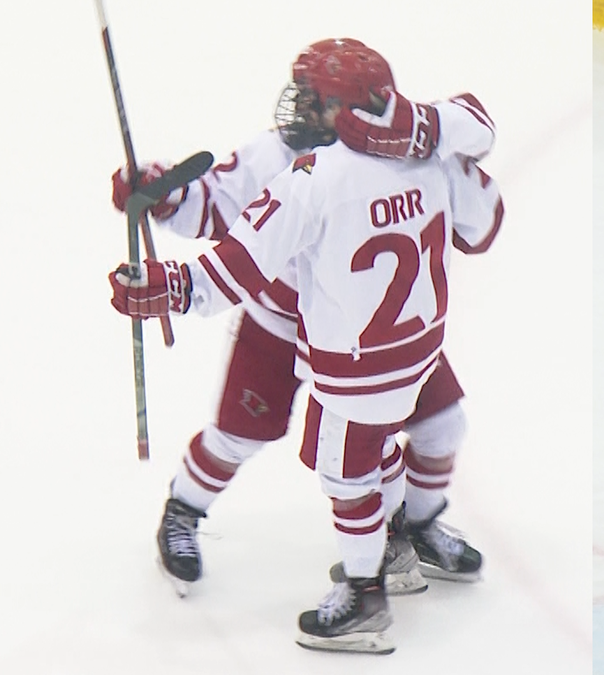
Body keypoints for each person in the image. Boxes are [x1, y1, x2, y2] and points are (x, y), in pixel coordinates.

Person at [108, 38, 504, 653]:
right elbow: (213, 206)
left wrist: (177, 286)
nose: (297, 108)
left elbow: (472, 180)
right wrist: (166, 195)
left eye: (313, 99)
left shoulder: (402, 160)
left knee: (440, 428)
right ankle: (184, 510)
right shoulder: (282, 158)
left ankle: (412, 529)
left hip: (364, 337)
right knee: (242, 435)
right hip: (280, 324)